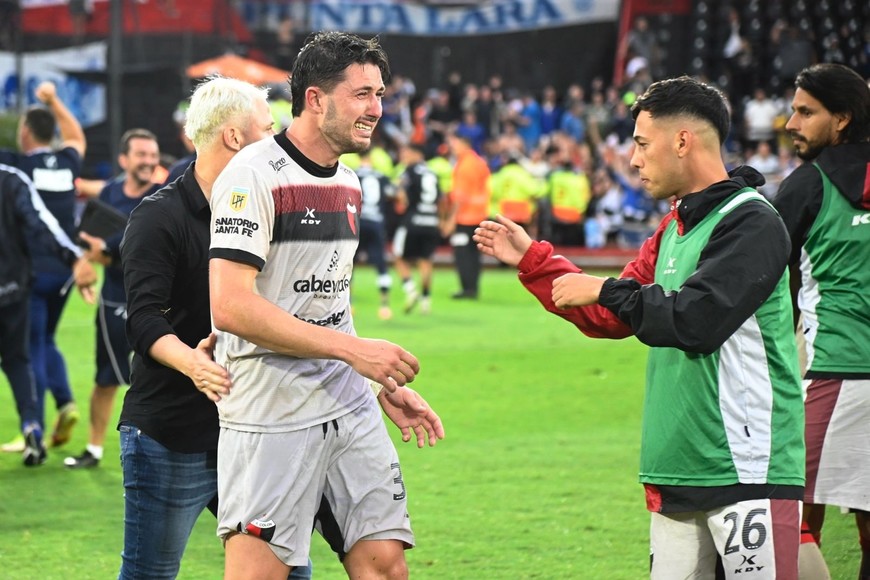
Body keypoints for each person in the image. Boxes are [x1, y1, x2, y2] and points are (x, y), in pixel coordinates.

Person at [475, 76, 805, 579]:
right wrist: (533, 261)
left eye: (642, 144)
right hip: (675, 466)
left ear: (682, 141)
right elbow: (611, 314)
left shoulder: (752, 220)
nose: (633, 160)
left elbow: (697, 319)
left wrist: (605, 289)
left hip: (747, 466)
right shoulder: (673, 227)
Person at [208, 32, 444, 579]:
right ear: (315, 99)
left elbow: (330, 299)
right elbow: (231, 306)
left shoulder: (349, 182)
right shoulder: (252, 175)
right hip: (271, 411)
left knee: (385, 565)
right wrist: (354, 353)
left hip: (346, 403)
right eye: (362, 95)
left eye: (379, 94)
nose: (377, 110)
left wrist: (379, 380)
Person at [772, 63, 870, 580]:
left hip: (833, 372)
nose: (791, 122)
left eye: (806, 112)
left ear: (843, 120)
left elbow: (767, 291)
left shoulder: (806, 187)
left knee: (787, 510)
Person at [65, 128, 162, 469]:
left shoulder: (163, 195)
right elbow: (90, 244)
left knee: (160, 378)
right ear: (124, 160)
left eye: (152, 155)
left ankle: (162, 450)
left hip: (156, 302)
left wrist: (109, 250)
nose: (149, 162)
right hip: (113, 299)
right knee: (106, 378)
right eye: (141, 155)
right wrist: (87, 265)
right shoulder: (108, 193)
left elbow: (149, 246)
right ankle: (93, 450)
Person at [0, 80, 87, 453]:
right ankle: (65, 401)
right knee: (47, 338)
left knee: (28, 345)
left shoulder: (19, 166)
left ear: (24, 132)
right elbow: (76, 137)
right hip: (65, 269)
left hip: (29, 270)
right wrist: (54, 101)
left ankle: (31, 424)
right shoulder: (67, 162)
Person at [0, 164, 95, 466]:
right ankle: (31, 425)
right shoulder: (12, 179)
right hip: (12, 288)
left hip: (22, 286)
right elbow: (41, 224)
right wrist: (74, 257)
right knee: (18, 359)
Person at [393, 142, 446, 314]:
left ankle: (411, 291)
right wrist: (442, 220)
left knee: (398, 256)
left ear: (417, 154)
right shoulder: (433, 173)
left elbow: (402, 196)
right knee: (426, 261)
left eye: (407, 153)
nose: (404, 157)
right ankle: (426, 301)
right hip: (431, 222)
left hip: (413, 221)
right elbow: (442, 199)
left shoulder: (408, 171)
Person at [443, 130, 490, 299]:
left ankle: (467, 289)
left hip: (465, 217)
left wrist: (450, 220)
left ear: (464, 144)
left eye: (454, 143)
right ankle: (473, 288)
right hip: (479, 214)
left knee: (462, 253)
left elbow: (459, 197)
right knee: (473, 254)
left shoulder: (464, 165)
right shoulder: (479, 162)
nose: (452, 147)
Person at [354, 148, 396, 320]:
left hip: (358, 222)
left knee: (349, 264)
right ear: (370, 159)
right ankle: (385, 305)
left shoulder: (353, 174)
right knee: (381, 264)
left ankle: (348, 304)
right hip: (377, 222)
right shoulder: (381, 176)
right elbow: (394, 194)